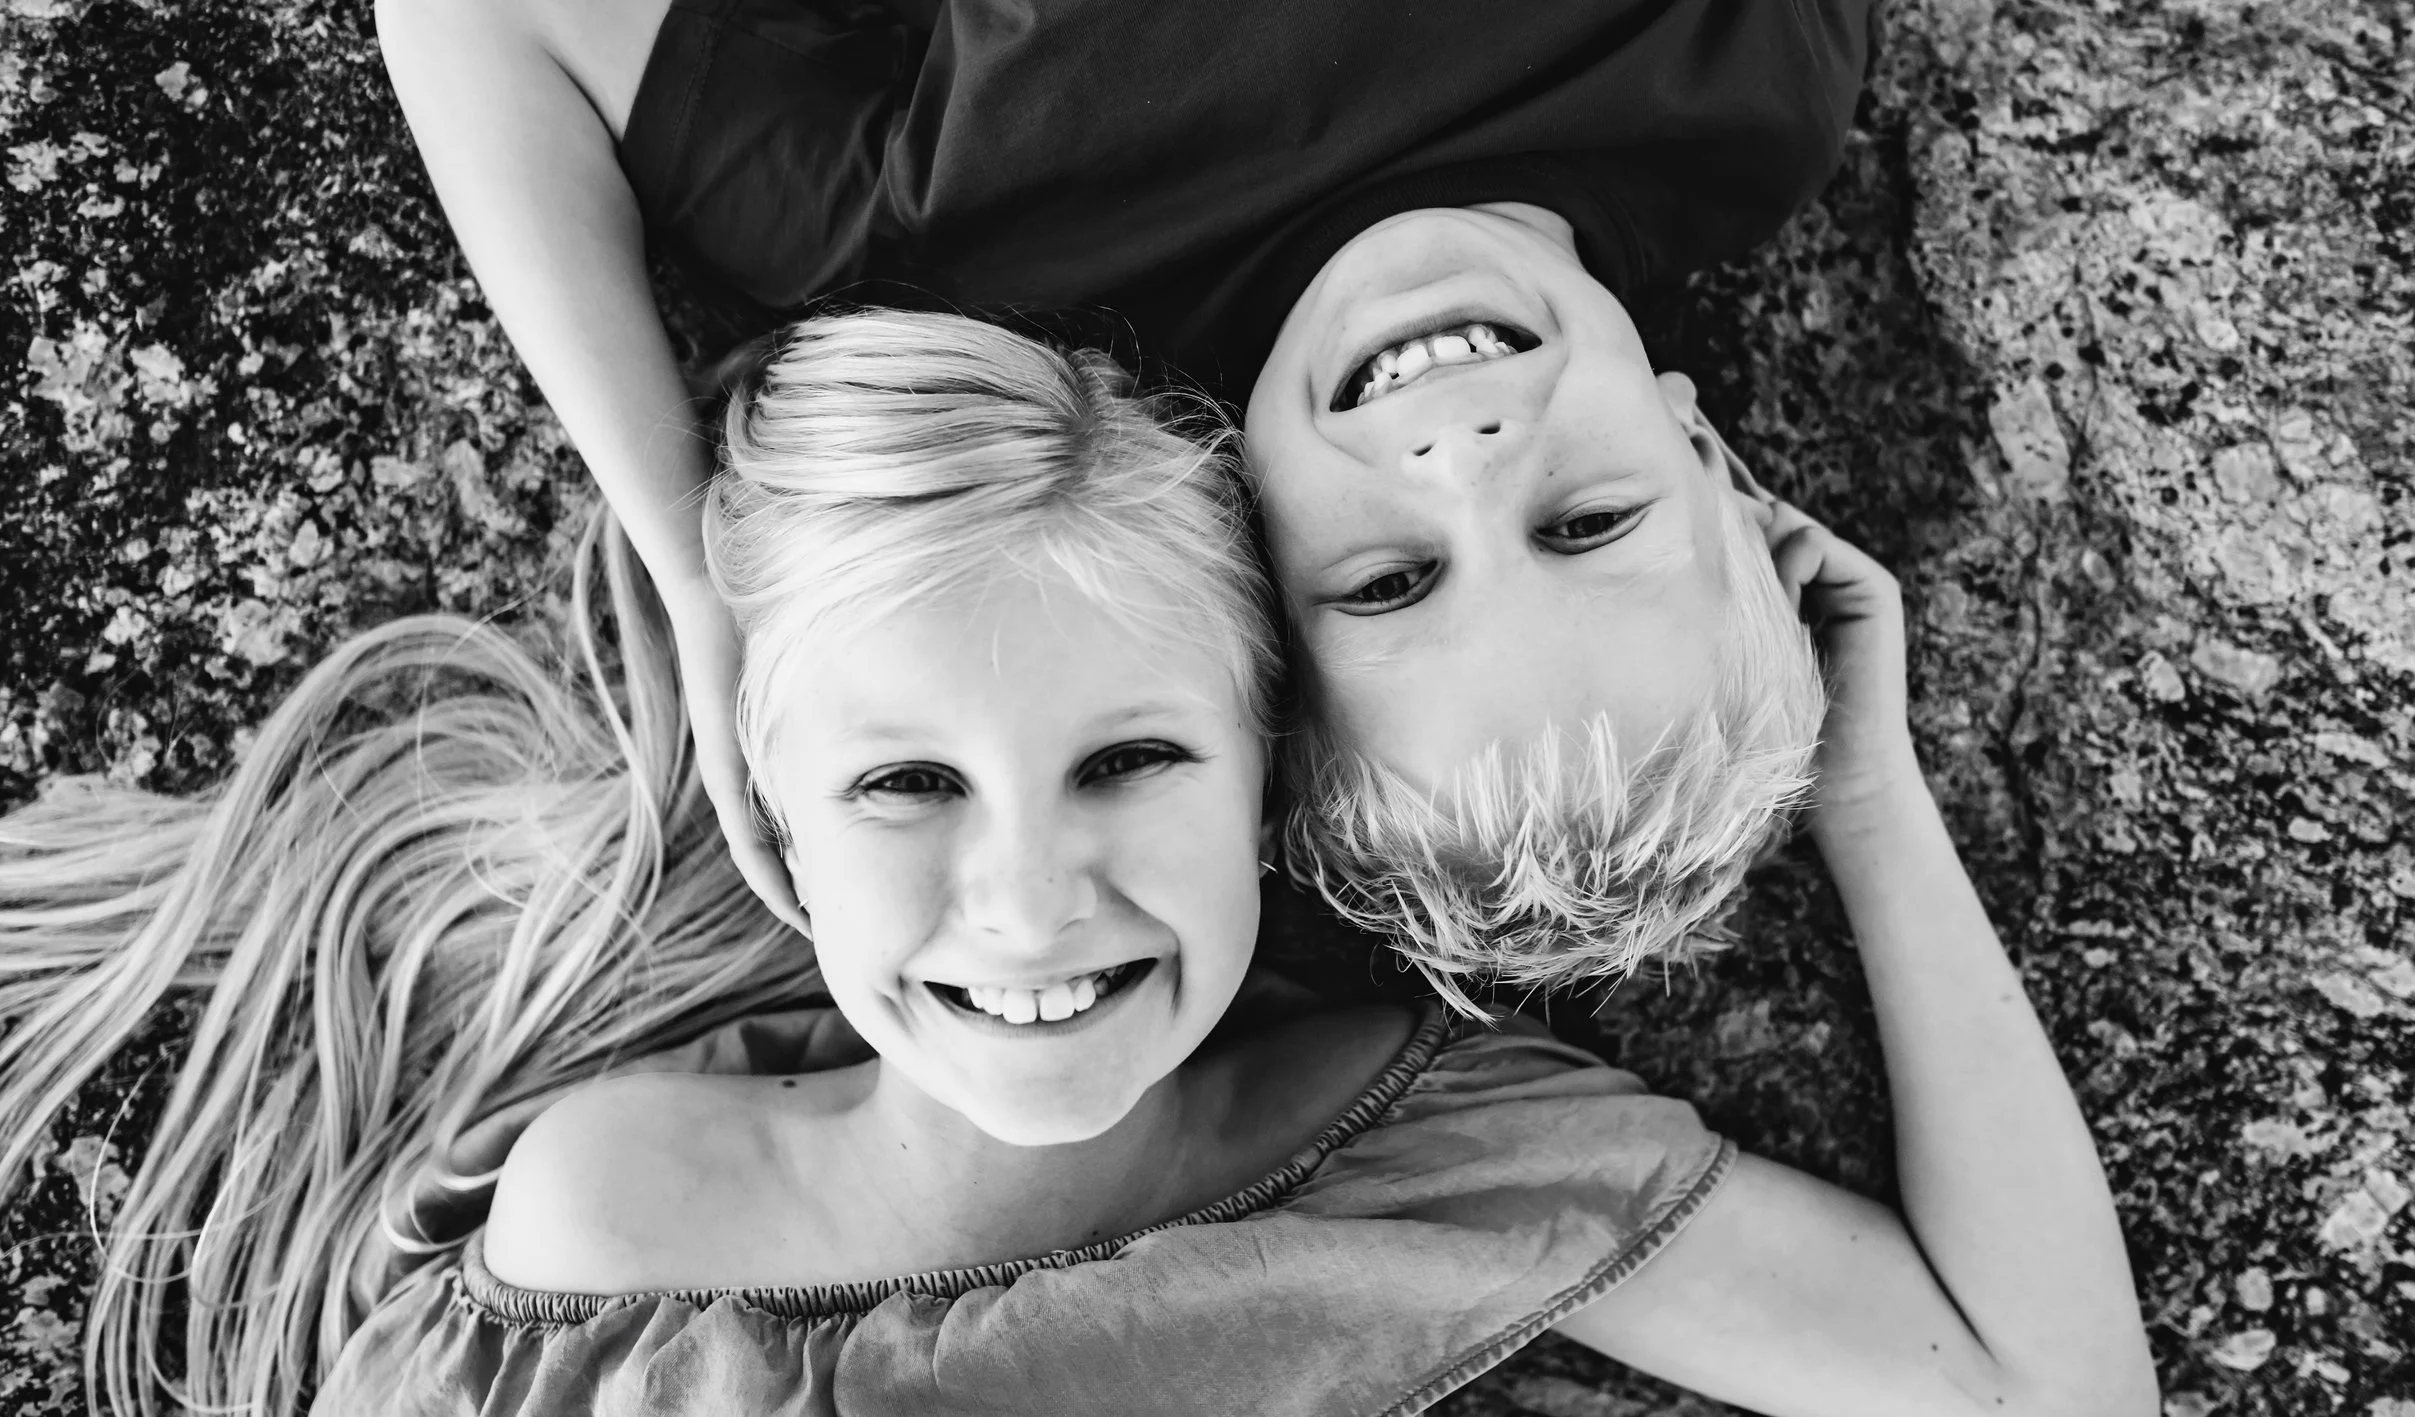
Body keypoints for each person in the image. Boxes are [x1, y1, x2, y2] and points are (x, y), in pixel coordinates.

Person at [3, 310, 2152, 1414]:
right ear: (769, 804)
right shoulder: (611, 1244)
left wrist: (1862, 799)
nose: (1028, 905)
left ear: (1266, 771)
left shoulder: (1423, 1154)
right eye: (902, 787)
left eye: (1128, 758)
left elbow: (2043, 1393)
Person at [373, 0, 1876, 990]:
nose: (1464, 465)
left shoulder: (965, 255)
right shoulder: (1749, 101)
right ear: (1706, 456)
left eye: (1391, 583)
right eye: (1587, 524)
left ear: (1248, 572)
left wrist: (697, 562)